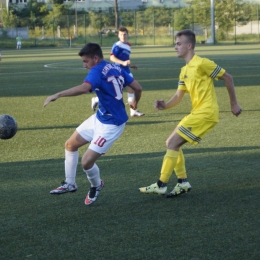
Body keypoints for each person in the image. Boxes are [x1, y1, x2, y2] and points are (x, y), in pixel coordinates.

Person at [139, 29, 242, 198]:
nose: (175, 47)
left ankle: (161, 184)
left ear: (189, 45)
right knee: (171, 143)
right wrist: (164, 105)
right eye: (175, 44)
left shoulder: (202, 63)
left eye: (178, 44)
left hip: (206, 113)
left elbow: (228, 78)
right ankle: (182, 182)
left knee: (172, 143)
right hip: (197, 112)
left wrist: (234, 104)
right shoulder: (184, 70)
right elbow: (179, 96)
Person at [43, 43, 142, 205]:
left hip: (112, 125)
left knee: (87, 162)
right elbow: (138, 88)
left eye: (85, 61)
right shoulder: (115, 66)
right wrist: (135, 102)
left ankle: (96, 185)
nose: (84, 65)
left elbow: (84, 88)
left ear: (95, 58)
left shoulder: (96, 70)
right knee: (70, 145)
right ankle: (70, 183)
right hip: (100, 117)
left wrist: (58, 94)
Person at [91, 26, 144, 117]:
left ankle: (133, 111)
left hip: (126, 71)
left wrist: (131, 65)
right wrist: (122, 62)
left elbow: (125, 59)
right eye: (121, 34)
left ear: (127, 35)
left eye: (125, 34)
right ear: (118, 36)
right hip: (117, 71)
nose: (123, 36)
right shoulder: (117, 45)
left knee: (132, 89)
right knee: (115, 94)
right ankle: (96, 99)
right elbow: (112, 57)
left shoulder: (128, 45)